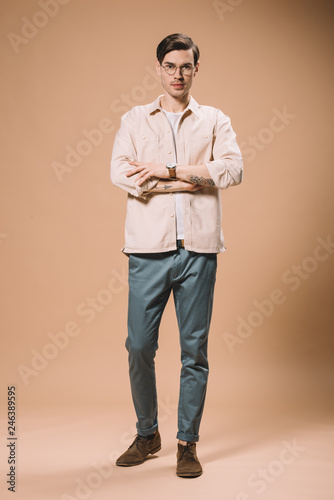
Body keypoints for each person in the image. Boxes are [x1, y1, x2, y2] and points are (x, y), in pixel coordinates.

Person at [110, 33, 243, 478]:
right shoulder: (134, 120)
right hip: (148, 250)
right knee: (139, 345)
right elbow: (123, 174)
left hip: (199, 250)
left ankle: (188, 442)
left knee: (194, 350)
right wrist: (196, 180)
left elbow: (233, 169)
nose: (178, 74)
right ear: (158, 67)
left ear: (196, 69)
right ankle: (148, 434)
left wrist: (167, 172)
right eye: (170, 65)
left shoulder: (214, 119)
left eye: (186, 66)